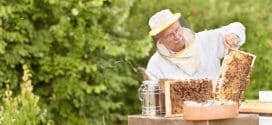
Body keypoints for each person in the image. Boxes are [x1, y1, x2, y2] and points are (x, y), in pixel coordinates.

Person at [145, 9, 245, 88]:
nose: (177, 36)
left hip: (216, 110)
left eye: (177, 29)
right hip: (180, 114)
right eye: (170, 35)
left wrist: (233, 36)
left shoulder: (205, 40)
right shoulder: (155, 64)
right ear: (160, 39)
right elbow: (154, 100)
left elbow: (237, 27)